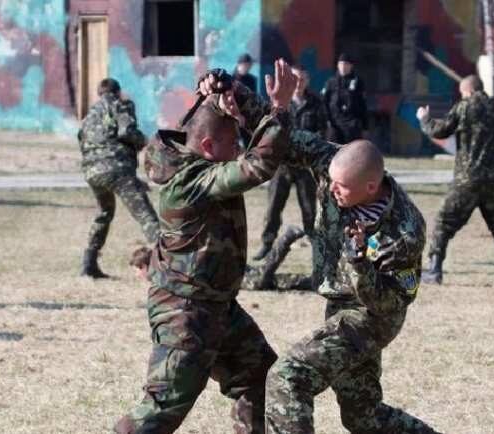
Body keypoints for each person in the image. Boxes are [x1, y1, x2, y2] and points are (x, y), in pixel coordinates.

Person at [200, 74, 442, 433]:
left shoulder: (405, 231)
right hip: (338, 303)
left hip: (370, 317)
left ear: (371, 187)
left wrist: (360, 261)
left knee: (288, 377)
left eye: (342, 188)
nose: (333, 191)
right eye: (331, 182)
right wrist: (231, 89)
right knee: (364, 416)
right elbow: (282, 141)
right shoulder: (334, 165)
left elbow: (390, 304)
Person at [114, 59, 297, 434]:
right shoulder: (189, 180)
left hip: (216, 307)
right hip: (186, 312)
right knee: (162, 409)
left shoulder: (192, 159)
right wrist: (278, 110)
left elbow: (228, 140)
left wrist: (220, 99)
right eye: (233, 144)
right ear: (210, 146)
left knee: (261, 377)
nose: (239, 150)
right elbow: (258, 166)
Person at [416, 75, 494, 287]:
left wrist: (424, 118)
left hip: (468, 179)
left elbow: (439, 131)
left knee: (444, 221)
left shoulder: (464, 107)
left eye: (462, 93)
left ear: (467, 91)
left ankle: (434, 270)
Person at [78, 78, 159, 278]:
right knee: (146, 217)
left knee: (104, 213)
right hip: (117, 168)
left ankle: (89, 264)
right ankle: (170, 265)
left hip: (92, 172)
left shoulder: (89, 115)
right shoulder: (121, 105)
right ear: (118, 92)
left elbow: (81, 139)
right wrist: (145, 142)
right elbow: (127, 131)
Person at [253, 64, 327, 262]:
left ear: (307, 81)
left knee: (310, 210)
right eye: (296, 79)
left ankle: (316, 251)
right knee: (273, 209)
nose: (299, 83)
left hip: (305, 166)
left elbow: (322, 132)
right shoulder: (279, 104)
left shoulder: (316, 103)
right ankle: (267, 245)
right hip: (282, 166)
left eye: (302, 79)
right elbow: (269, 130)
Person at [322, 53, 368, 143]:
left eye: (346, 64)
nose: (343, 67)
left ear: (351, 66)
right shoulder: (331, 82)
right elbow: (324, 102)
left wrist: (365, 126)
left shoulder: (358, 82)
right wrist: (327, 121)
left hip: (352, 126)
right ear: (338, 66)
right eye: (341, 64)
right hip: (335, 125)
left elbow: (363, 105)